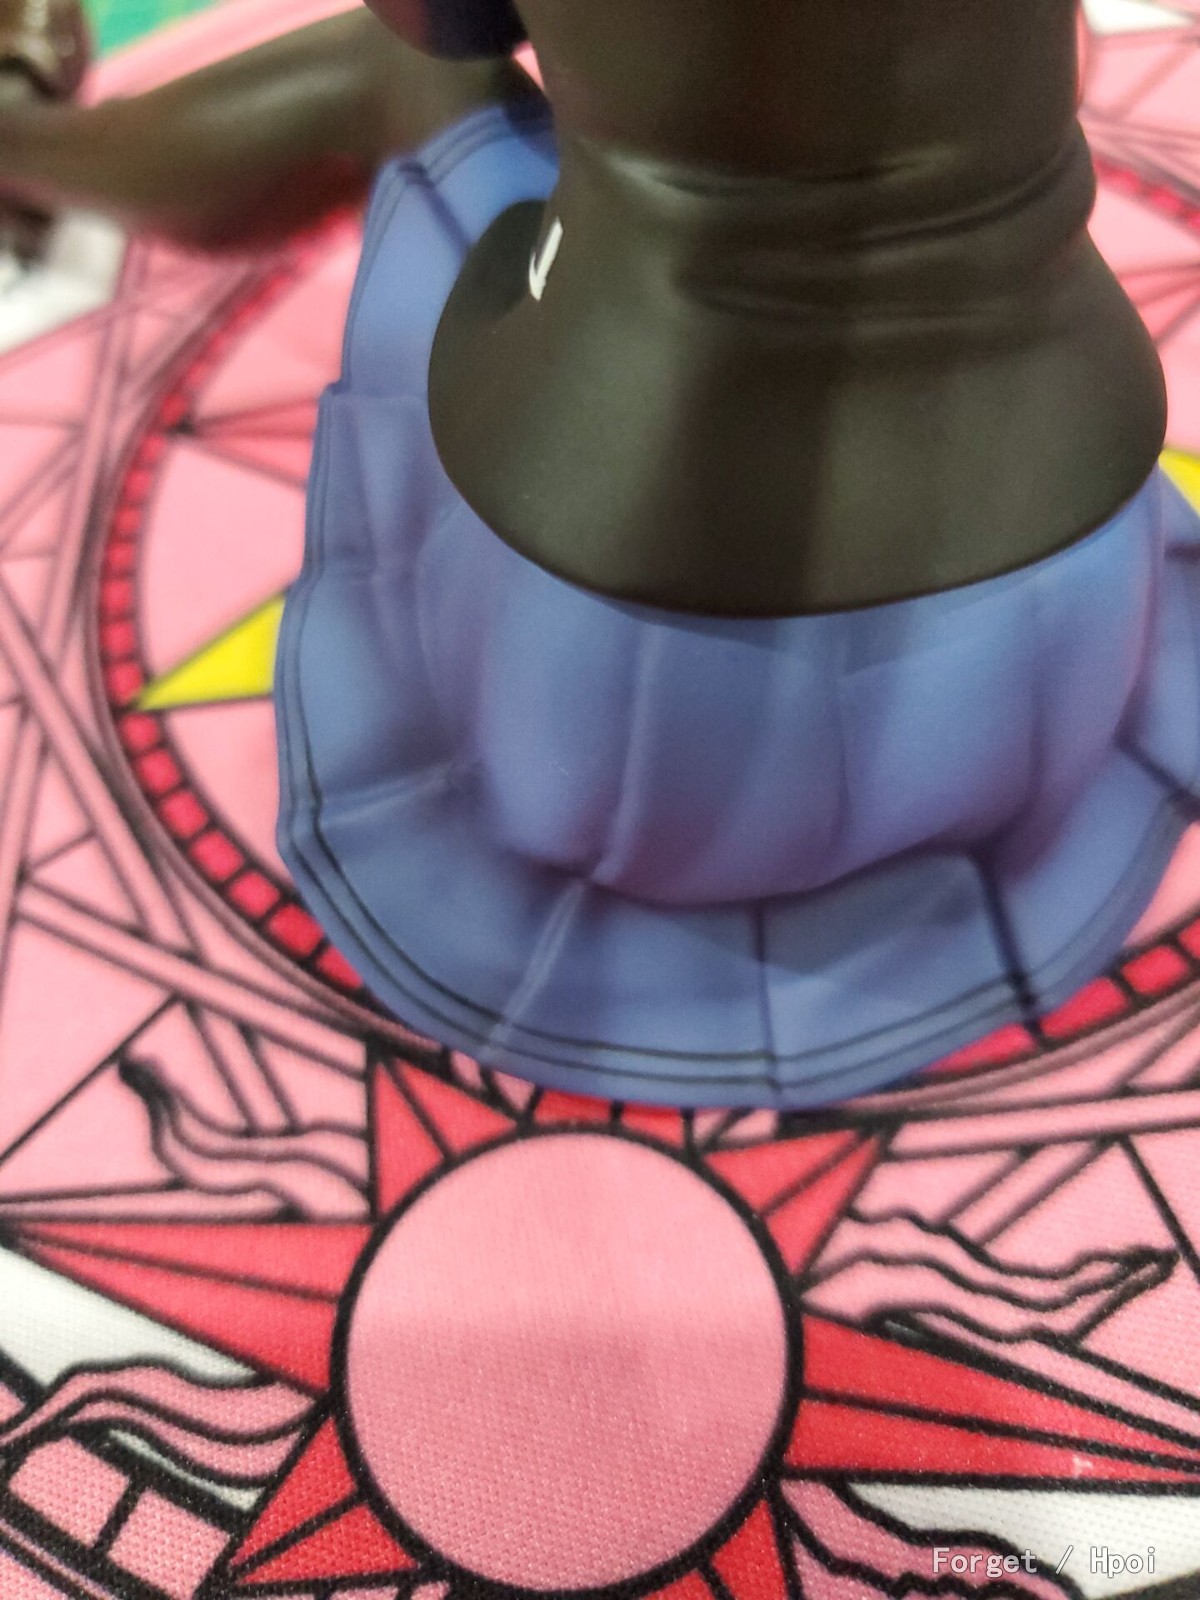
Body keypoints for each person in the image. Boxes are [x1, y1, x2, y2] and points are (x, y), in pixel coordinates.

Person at [5, 1, 1199, 1109]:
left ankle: (21, 137)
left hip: (632, 713)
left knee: (395, 78)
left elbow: (443, 26)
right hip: (1079, 620)